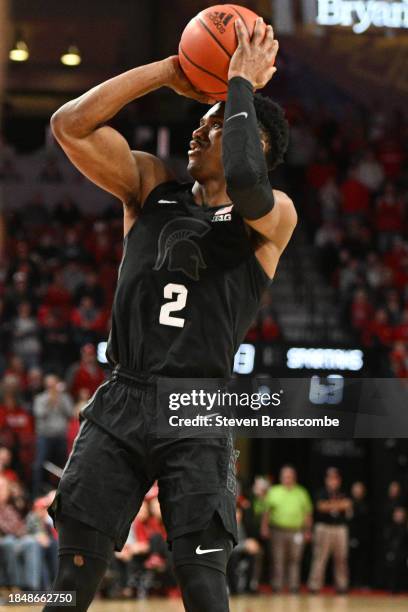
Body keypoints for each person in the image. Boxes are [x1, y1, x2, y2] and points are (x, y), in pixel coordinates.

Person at [46, 18, 296, 612]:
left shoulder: (274, 215)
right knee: (69, 581)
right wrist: (171, 72)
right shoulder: (151, 186)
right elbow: (68, 125)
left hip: (197, 404)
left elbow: (243, 178)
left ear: (254, 143)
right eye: (200, 120)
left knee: (203, 584)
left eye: (211, 126)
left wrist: (238, 87)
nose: (195, 131)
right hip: (122, 396)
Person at [262, 465, 312, 593]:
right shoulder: (274, 491)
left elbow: (308, 513)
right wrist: (264, 527)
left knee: (295, 559)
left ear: (294, 477)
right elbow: (266, 512)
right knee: (278, 558)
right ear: (281, 478)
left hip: (297, 531)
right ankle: (277, 585)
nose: (287, 479)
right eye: (285, 476)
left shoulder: (301, 492)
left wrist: (307, 531)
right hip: (277, 530)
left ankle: (293, 586)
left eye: (290, 476)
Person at [308, 467, 352, 594]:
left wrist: (331, 505)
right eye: (330, 479)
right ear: (326, 480)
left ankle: (342, 585)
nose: (333, 481)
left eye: (335, 479)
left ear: (339, 480)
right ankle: (315, 585)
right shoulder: (321, 493)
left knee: (341, 558)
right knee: (320, 557)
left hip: (340, 528)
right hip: (324, 527)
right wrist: (338, 505)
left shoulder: (343, 492)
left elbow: (348, 504)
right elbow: (321, 507)